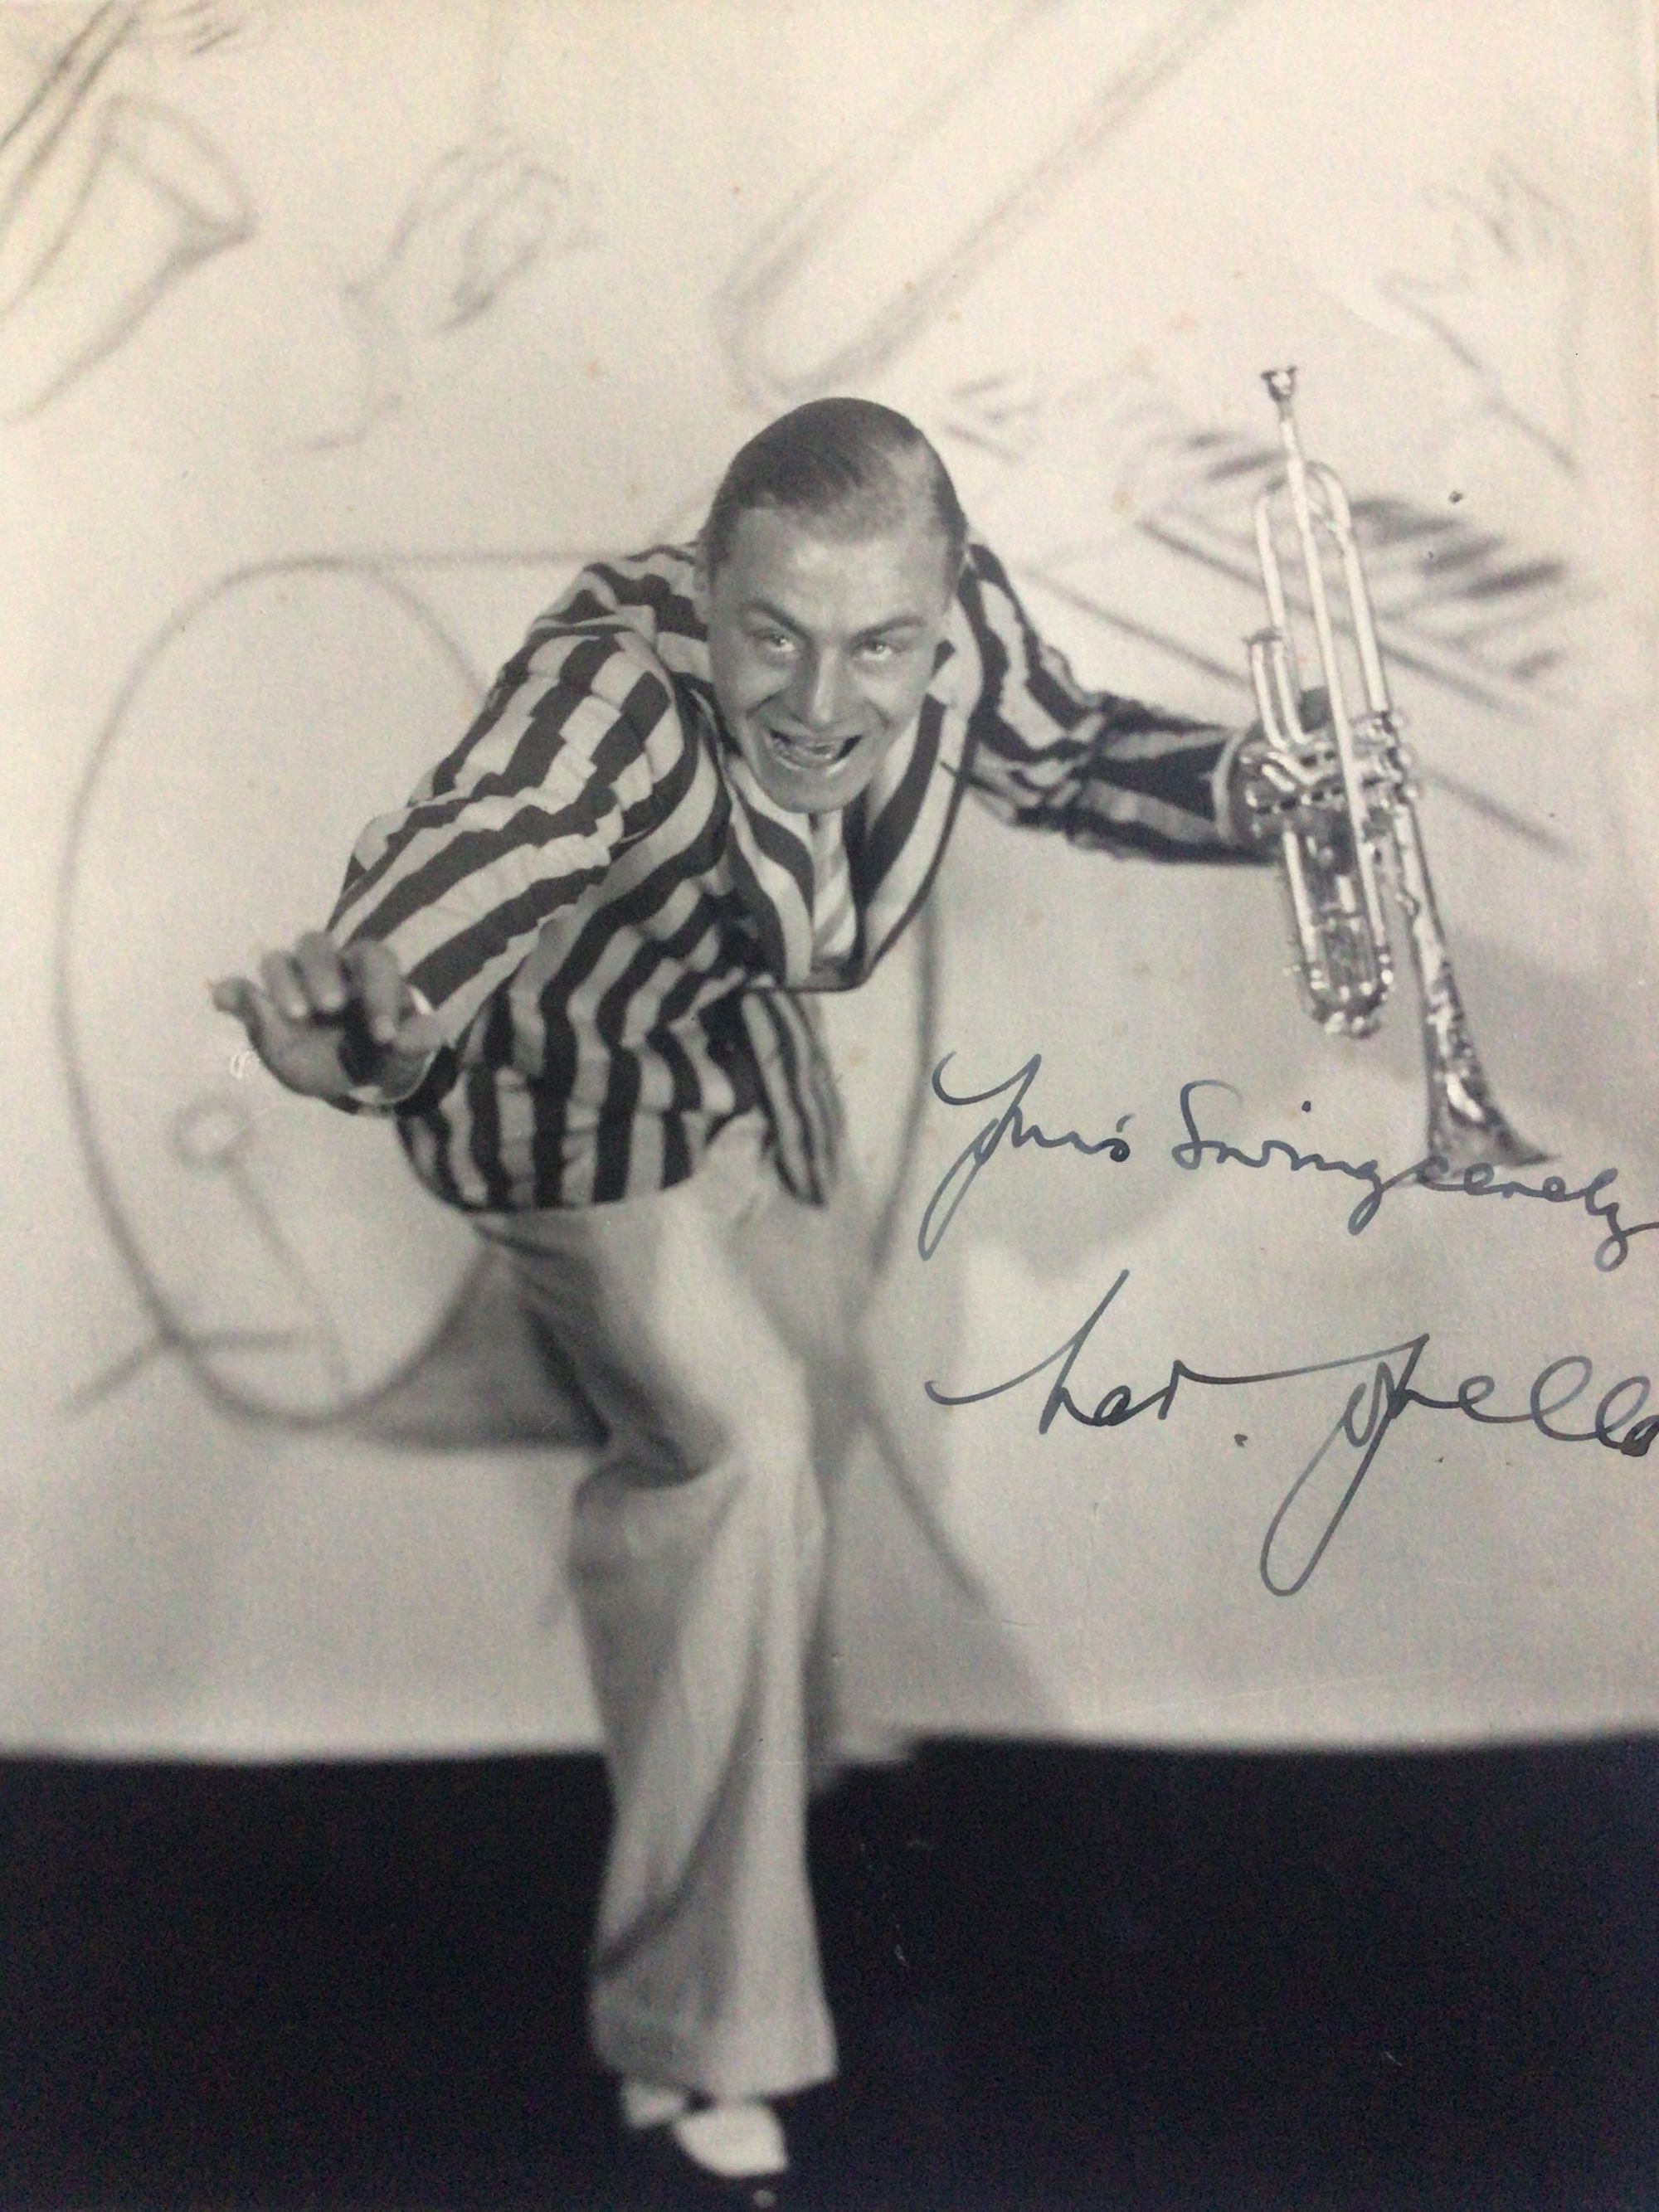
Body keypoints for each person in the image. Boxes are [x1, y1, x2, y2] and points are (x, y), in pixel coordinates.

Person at [213, 396, 1335, 2209]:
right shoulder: (608, 687)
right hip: (575, 1131)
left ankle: (774, 1796)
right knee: (733, 1459)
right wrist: (365, 1021)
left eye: (879, 644)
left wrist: (1261, 791)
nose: (821, 700)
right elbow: (484, 843)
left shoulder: (956, 627)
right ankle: (692, 2038)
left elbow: (1063, 757)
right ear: (708, 585)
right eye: (773, 635)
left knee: (808, 1413)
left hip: (751, 1095)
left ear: (942, 605)